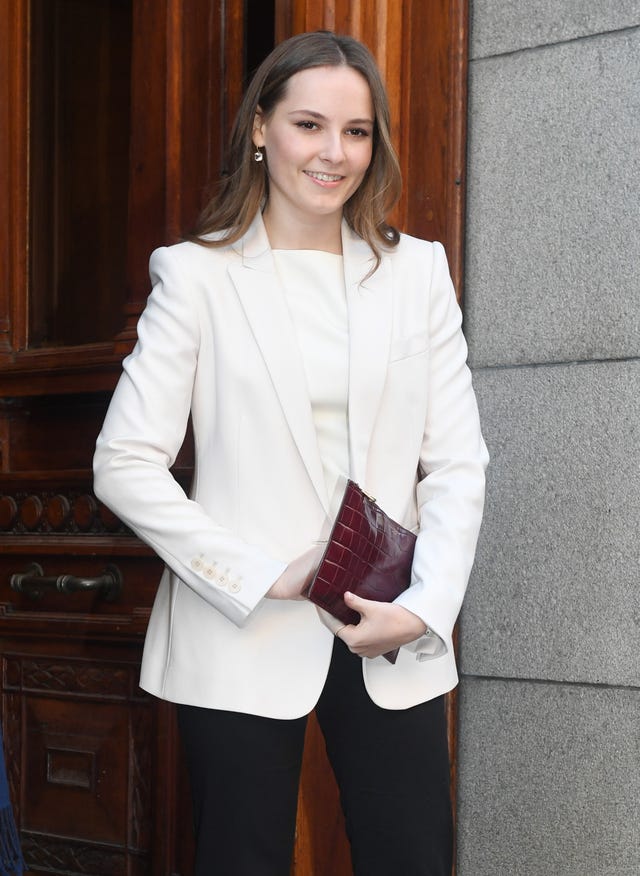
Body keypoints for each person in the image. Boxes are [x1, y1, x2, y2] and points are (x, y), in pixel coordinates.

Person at [93, 30, 488, 876]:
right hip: (242, 632)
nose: (333, 153)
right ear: (262, 128)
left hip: (389, 626)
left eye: (356, 131)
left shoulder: (417, 272)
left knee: (414, 858)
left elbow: (457, 462)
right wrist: (266, 571)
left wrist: (426, 608)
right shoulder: (196, 275)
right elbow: (123, 460)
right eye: (310, 124)